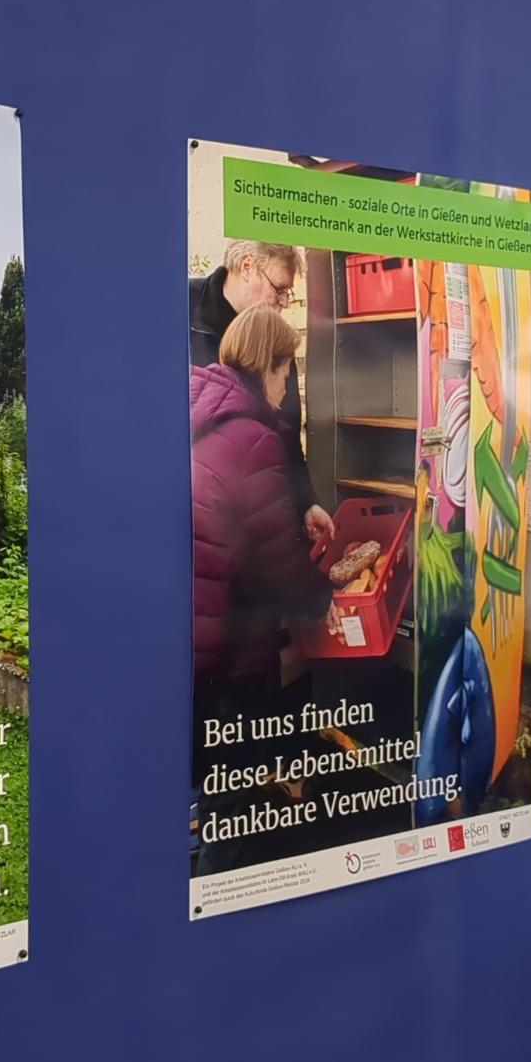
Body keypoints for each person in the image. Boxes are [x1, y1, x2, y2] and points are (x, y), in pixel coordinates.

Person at [190, 305, 335, 873]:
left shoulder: (200, 407)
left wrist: (297, 514)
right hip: (229, 651)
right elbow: (274, 566)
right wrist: (321, 597)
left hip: (194, 637)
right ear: (269, 366)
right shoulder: (253, 434)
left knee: (210, 785)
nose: (288, 385)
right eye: (287, 371)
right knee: (233, 805)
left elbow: (236, 516)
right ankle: (217, 916)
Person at [190, 238, 335, 546]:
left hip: (257, 521)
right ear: (247, 268)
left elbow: (288, 432)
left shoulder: (276, 337)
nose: (284, 301)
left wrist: (305, 502)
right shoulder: (180, 305)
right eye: (279, 288)